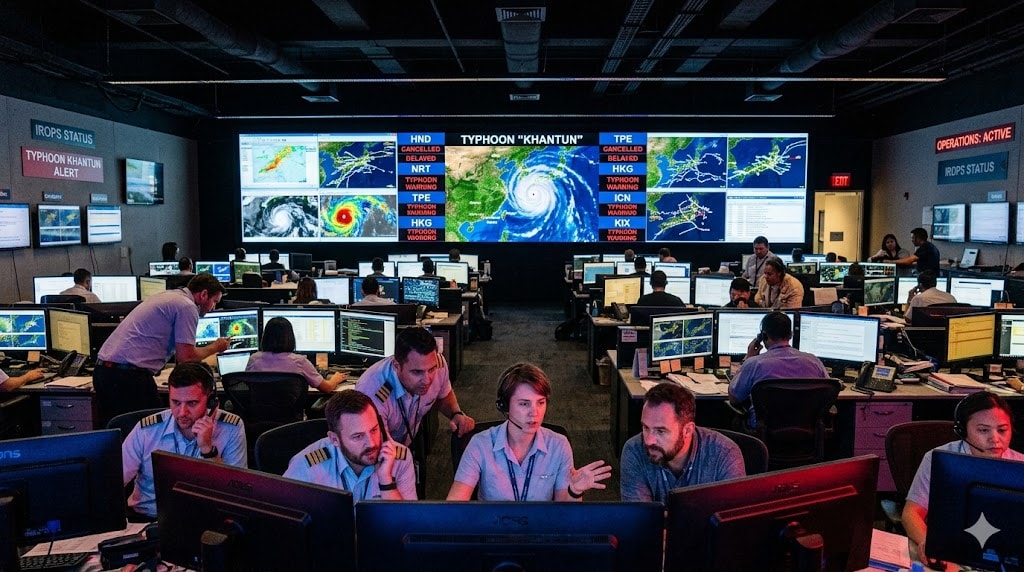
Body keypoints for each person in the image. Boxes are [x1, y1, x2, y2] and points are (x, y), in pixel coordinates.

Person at [447, 363, 612, 501]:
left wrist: (574, 491)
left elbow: (564, 515)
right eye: (524, 404)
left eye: (540, 403)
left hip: (541, 534)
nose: (535, 412)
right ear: (504, 407)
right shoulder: (481, 444)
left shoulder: (558, 445)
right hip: (495, 534)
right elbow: (454, 506)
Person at [902, 392, 1024, 564]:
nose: (995, 439)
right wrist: (927, 541)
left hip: (1006, 557)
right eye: (983, 430)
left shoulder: (1020, 465)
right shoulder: (939, 459)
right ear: (963, 430)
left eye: (1002, 430)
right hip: (950, 554)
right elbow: (911, 513)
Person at [93, 273, 230, 426]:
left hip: (105, 372)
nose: (213, 308)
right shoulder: (187, 306)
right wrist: (216, 347)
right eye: (214, 302)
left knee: (122, 433)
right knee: (154, 429)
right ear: (204, 294)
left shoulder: (170, 297)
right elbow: (186, 357)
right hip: (127, 377)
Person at [121, 362, 247, 519]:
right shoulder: (147, 430)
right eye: (176, 402)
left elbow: (236, 494)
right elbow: (114, 481)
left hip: (204, 522)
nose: (182, 412)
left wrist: (208, 450)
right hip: (148, 520)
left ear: (210, 401)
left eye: (192, 403)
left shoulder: (231, 428)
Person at [620, 382, 744, 503]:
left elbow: (730, 518)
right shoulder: (634, 449)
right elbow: (640, 519)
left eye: (661, 431)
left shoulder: (725, 454)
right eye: (646, 428)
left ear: (687, 430)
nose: (648, 440)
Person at [284, 390, 416, 501]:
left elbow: (406, 525)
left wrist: (386, 481)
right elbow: (287, 523)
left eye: (374, 430)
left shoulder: (399, 458)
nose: (372, 443)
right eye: (358, 436)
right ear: (334, 439)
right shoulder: (306, 467)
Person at [355, 327, 474, 447]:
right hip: (379, 451)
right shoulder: (371, 391)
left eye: (431, 369)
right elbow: (376, 447)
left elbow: (443, 394)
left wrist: (455, 413)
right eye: (417, 372)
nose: (427, 380)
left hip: (407, 441)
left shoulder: (439, 364)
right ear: (397, 366)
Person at [728, 312, 829, 428]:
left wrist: (748, 358)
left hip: (764, 429)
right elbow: (828, 391)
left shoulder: (754, 364)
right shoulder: (814, 362)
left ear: (764, 336)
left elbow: (734, 398)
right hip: (807, 428)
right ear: (791, 335)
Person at [246, 317, 346, 393]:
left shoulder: (254, 359)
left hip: (258, 417)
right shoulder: (299, 362)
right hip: (293, 418)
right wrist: (335, 380)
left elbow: (249, 384)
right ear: (290, 337)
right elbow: (327, 388)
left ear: (265, 337)